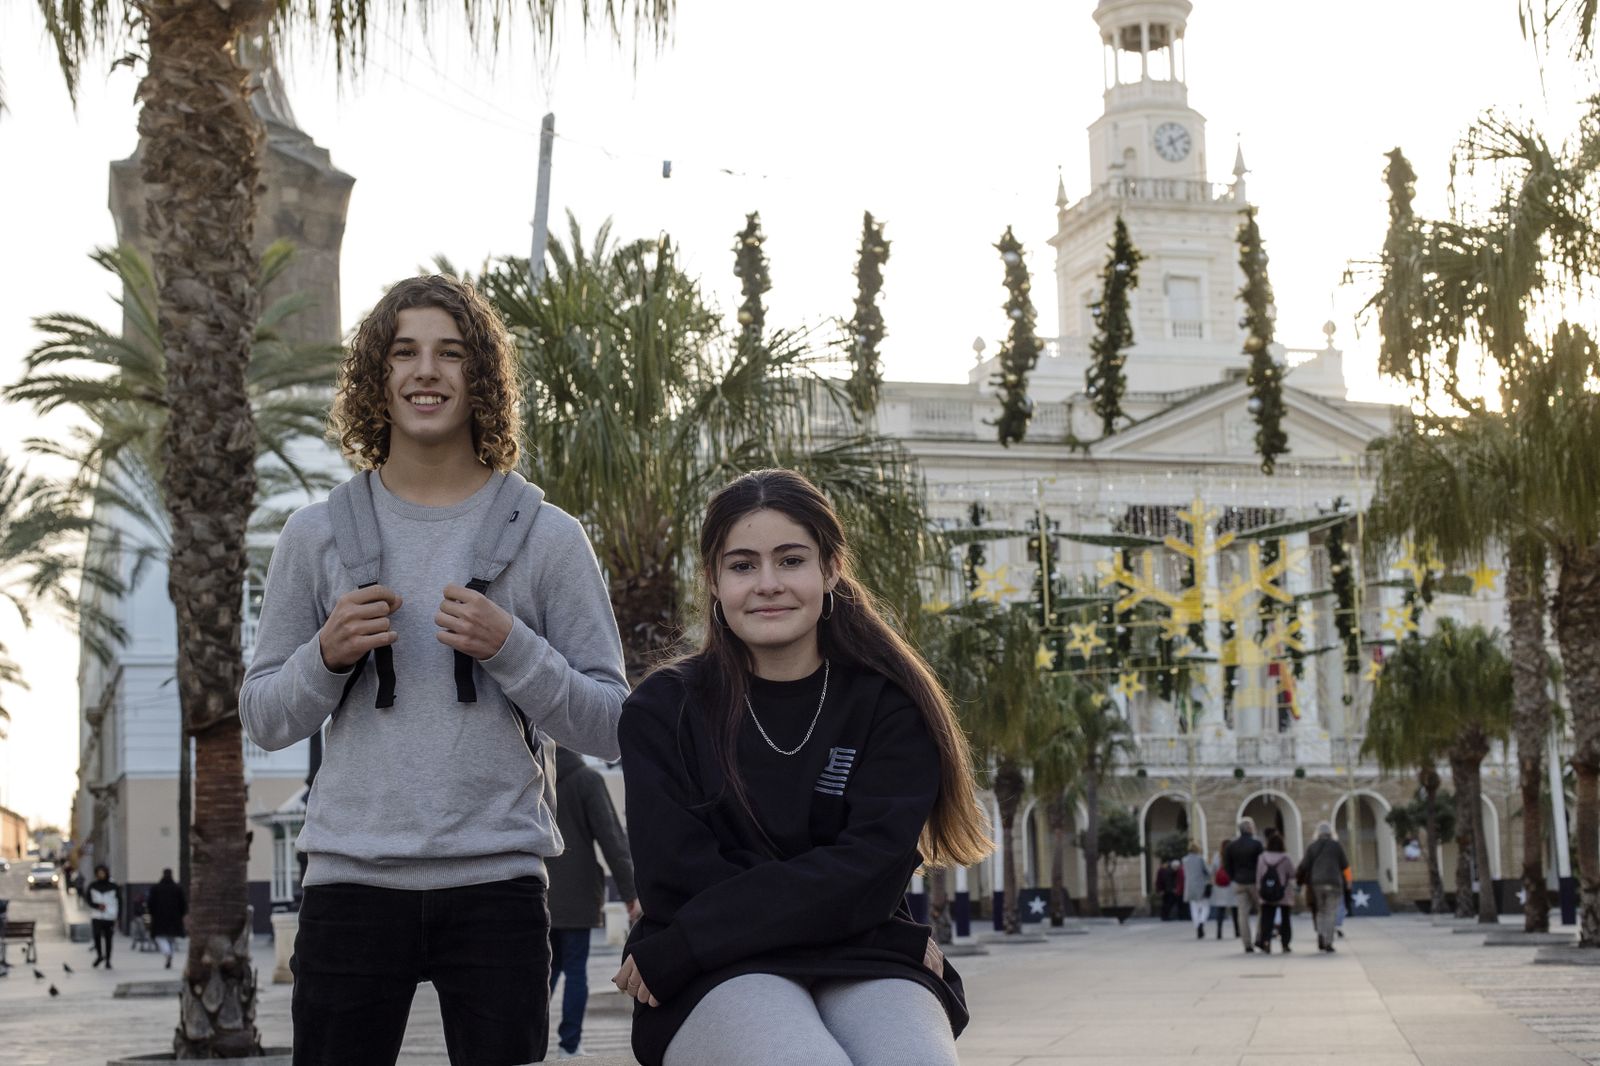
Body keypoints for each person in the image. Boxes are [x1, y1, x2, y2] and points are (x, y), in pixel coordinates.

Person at [240, 274, 629, 1066]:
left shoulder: (549, 538)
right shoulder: (312, 537)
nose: (426, 371)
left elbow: (612, 722)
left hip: (500, 884)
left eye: (450, 353)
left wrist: (513, 648)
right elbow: (265, 716)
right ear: (375, 380)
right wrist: (325, 654)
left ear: (479, 377)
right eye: (404, 352)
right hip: (349, 882)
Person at [613, 469, 992, 1066]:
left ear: (831, 569)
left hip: (845, 959)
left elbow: (871, 870)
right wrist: (851, 908)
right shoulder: (662, 709)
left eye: (791, 560)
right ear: (713, 581)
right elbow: (677, 880)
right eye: (742, 566)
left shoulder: (889, 704)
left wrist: (693, 935)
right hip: (712, 969)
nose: (768, 584)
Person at [547, 744, 641, 1059]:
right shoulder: (586, 780)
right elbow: (611, 838)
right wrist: (631, 893)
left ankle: (528, 1040)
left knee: (546, 971)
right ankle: (568, 1045)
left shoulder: (535, 777)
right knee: (575, 970)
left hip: (538, 892)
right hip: (578, 893)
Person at [1297, 822, 1350, 953]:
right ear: (1331, 833)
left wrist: (1299, 882)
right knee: (1331, 912)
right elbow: (1345, 866)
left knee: (1320, 911)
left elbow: (1304, 865)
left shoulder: (1312, 847)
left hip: (1317, 883)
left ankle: (1321, 935)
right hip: (1334, 883)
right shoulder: (1337, 846)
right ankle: (1328, 942)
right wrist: (1348, 882)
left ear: (1318, 833)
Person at [1223, 818, 1265, 953]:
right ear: (1249, 829)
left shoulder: (1232, 845)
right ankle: (1259, 937)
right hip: (1255, 882)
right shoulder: (1257, 844)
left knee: (1243, 914)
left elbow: (1226, 864)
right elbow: (1262, 863)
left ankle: (1247, 943)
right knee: (1262, 910)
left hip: (1239, 882)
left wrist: (1233, 877)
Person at [1254, 827, 1296, 954]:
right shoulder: (1286, 858)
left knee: (1267, 919)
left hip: (1267, 892)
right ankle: (1285, 944)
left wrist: (1260, 889)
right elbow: (1293, 874)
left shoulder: (1262, 857)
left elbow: (1259, 876)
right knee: (1285, 919)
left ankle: (1266, 942)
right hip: (1283, 893)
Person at [146, 868, 187, 970]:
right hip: (174, 918)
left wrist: (151, 913)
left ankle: (167, 953)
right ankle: (169, 954)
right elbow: (183, 904)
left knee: (160, 937)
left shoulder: (156, 888)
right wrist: (182, 914)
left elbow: (150, 903)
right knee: (171, 939)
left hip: (159, 917)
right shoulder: (177, 888)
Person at [87, 864, 119, 969]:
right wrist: (97, 906)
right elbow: (88, 900)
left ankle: (108, 960)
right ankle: (100, 955)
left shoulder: (113, 887)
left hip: (110, 916)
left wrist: (117, 916)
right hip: (96, 916)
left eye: (102, 872)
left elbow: (119, 901)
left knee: (108, 939)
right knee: (96, 936)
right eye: (99, 873)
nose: (101, 875)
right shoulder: (93, 886)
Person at [1180, 841, 1210, 939]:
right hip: (1201, 886)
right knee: (1205, 907)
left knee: (1194, 909)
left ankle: (1197, 926)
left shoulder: (1184, 860)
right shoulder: (1200, 859)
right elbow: (1207, 872)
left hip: (1189, 887)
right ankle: (1201, 922)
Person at [1211, 838, 1239, 940]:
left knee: (1220, 910)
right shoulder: (1234, 856)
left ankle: (1219, 932)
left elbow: (1213, 870)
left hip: (1220, 886)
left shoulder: (1217, 856)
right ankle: (1237, 931)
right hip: (1232, 884)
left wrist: (1214, 881)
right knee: (1235, 909)